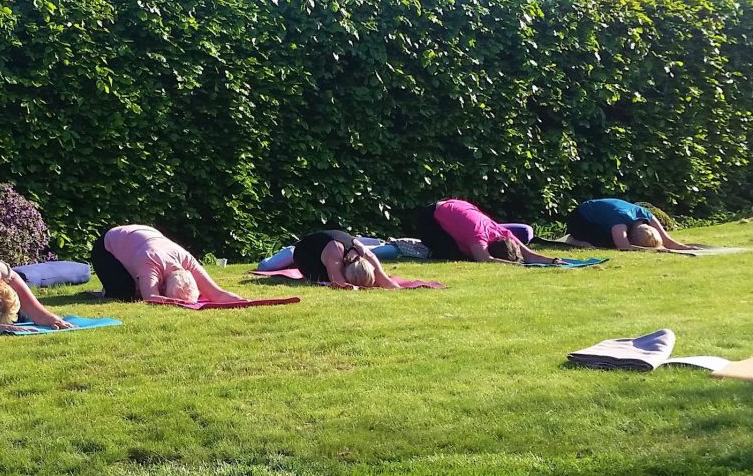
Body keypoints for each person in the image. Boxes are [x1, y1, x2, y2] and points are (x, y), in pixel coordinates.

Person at [90, 224, 244, 302]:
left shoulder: (187, 261)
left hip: (140, 238)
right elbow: (150, 297)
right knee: (126, 294)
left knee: (137, 286)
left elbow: (217, 294)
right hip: (106, 247)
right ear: (163, 286)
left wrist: (243, 301)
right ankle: (105, 291)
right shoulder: (149, 263)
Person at [415, 199, 565, 264]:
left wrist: (553, 260)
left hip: (456, 206)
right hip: (430, 217)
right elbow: (484, 259)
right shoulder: (477, 236)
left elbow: (531, 255)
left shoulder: (503, 233)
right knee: (459, 255)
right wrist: (515, 265)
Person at [565, 198, 694, 250]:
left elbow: (668, 241)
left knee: (611, 239)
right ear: (631, 236)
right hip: (579, 218)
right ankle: (574, 240)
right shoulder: (619, 223)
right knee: (609, 243)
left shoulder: (647, 215)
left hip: (600, 216)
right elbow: (624, 247)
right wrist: (647, 250)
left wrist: (685, 248)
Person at [291, 230, 405, 289]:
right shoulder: (334, 255)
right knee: (323, 278)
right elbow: (340, 284)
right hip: (304, 252)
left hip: (329, 244)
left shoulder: (367, 254)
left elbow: (385, 281)